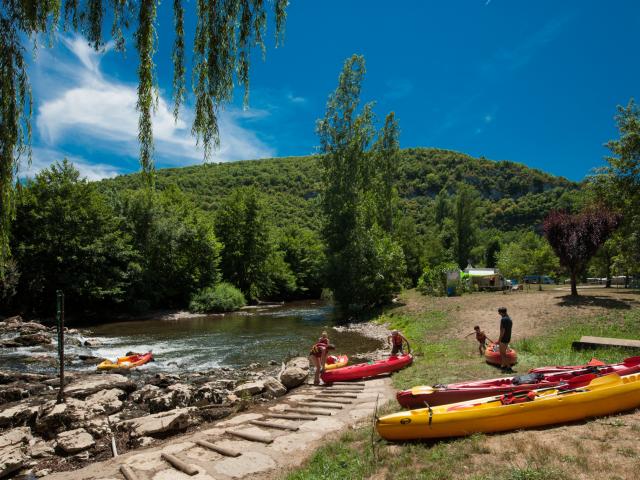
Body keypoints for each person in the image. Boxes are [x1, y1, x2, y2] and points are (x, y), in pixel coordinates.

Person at [497, 307, 513, 372]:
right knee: (503, 353)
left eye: (499, 312)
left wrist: (499, 340)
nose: (498, 313)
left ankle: (509, 367)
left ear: (501, 312)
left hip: (503, 338)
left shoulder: (503, 319)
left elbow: (502, 331)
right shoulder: (510, 319)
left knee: (503, 353)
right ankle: (503, 366)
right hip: (508, 337)